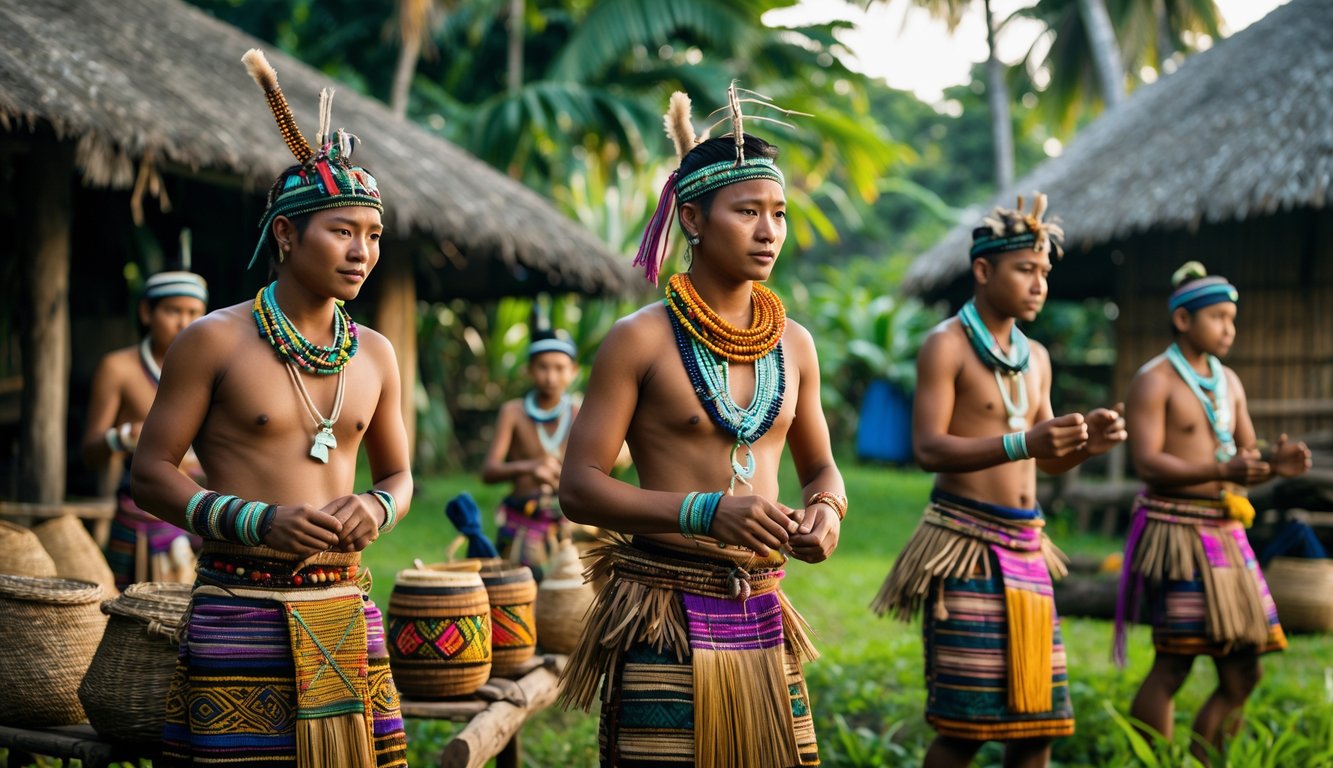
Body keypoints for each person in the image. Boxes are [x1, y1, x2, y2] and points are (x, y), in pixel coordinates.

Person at [130, 49, 410, 768]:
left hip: (345, 603)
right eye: (341, 230)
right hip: (238, 602)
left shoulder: (375, 353)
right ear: (286, 235)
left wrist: (377, 509)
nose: (362, 251)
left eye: (372, 234)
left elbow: (401, 477)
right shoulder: (211, 341)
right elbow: (152, 472)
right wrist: (257, 521)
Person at [557, 88, 842, 768]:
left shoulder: (794, 345)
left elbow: (822, 468)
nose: (768, 230)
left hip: (763, 608)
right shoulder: (639, 341)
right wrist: (704, 511)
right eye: (746, 212)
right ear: (692, 217)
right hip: (664, 608)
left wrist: (827, 511)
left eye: (777, 213)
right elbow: (580, 487)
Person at [872, 195, 1128, 768]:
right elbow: (928, 449)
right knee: (965, 726)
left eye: (1043, 272)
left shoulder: (1036, 357)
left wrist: (1089, 444)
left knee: (1035, 726)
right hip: (963, 545)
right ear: (983, 271)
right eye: (1025, 270)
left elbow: (1046, 459)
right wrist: (1024, 443)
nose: (1039, 284)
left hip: (1027, 548)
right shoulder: (947, 345)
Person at [1115, 261, 1311, 761]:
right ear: (1183, 320)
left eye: (1232, 318)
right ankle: (1155, 761)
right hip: (1177, 531)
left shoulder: (1230, 384)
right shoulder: (1153, 380)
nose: (1230, 328)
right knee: (1175, 663)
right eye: (1219, 317)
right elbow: (1147, 461)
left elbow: (1244, 461)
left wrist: (1275, 465)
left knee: (1245, 669)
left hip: (1227, 532)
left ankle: (1206, 761)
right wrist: (1227, 465)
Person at [83, 268, 208, 588]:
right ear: (146, 312)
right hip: (142, 508)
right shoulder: (119, 369)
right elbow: (90, 451)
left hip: (204, 504)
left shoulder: (210, 369)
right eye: (173, 311)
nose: (184, 322)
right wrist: (123, 437)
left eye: (194, 312)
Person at [481, 328, 580, 575]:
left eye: (560, 368)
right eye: (543, 367)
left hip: (567, 523)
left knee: (569, 600)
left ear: (574, 371)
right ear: (529, 369)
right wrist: (530, 467)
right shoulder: (513, 412)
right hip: (521, 520)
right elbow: (489, 471)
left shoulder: (580, 412)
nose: (551, 377)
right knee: (519, 591)